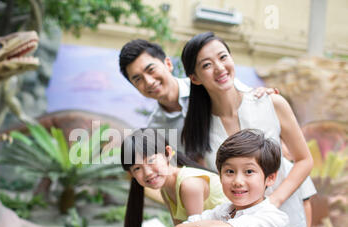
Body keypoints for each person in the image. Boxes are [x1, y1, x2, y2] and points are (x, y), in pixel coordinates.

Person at [180, 31, 314, 227]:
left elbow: (304, 159)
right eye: (206, 64)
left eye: (223, 57)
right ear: (194, 78)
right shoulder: (199, 129)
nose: (219, 67)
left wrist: (272, 202)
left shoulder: (270, 102)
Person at [118, 39, 276, 154]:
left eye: (151, 69)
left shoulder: (206, 84)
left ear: (168, 64)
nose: (149, 81)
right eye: (137, 79)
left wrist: (264, 94)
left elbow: (247, 99)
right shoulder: (156, 129)